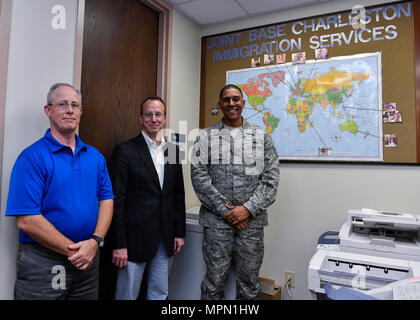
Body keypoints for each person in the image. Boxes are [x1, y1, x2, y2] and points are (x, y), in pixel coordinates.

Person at [5, 83, 114, 300]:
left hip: (88, 262)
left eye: (75, 105)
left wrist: (95, 242)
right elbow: (27, 220)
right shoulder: (32, 158)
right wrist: (77, 252)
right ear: (48, 110)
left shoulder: (95, 157)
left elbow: (106, 199)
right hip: (45, 262)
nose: (70, 110)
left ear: (81, 112)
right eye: (62, 104)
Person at [191, 84, 280, 300]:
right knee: (213, 284)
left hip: (251, 224)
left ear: (243, 103)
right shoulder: (205, 136)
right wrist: (227, 212)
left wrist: (247, 210)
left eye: (236, 99)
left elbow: (271, 178)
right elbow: (199, 178)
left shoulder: (261, 136)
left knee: (249, 285)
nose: (232, 103)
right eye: (227, 100)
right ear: (220, 104)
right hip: (216, 225)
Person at [110, 96, 186, 300]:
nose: (154, 118)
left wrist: (179, 232)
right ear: (141, 118)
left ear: (165, 118)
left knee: (159, 293)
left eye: (158, 114)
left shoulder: (173, 151)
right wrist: (119, 243)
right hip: (133, 240)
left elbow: (178, 195)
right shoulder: (125, 150)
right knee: (127, 294)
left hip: (165, 238)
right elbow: (117, 200)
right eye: (149, 114)